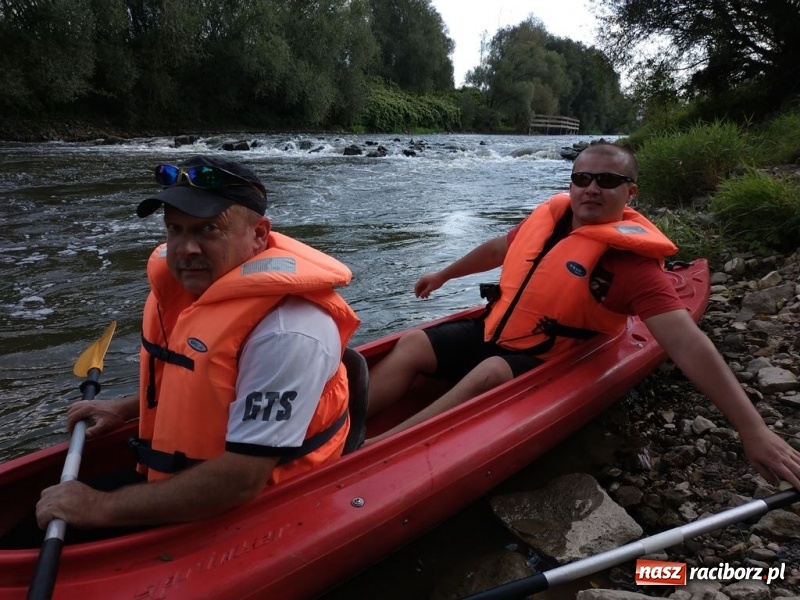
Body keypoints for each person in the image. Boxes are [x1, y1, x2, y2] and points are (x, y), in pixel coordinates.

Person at [365, 142, 800, 491]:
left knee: (490, 371)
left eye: (608, 181)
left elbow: (686, 343)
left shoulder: (631, 266)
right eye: (582, 178)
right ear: (571, 184)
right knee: (413, 343)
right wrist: (442, 275)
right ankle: (342, 423)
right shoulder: (552, 220)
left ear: (631, 193)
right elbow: (501, 249)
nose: (591, 188)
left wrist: (752, 429)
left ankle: (375, 450)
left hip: (551, 356)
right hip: (497, 327)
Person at [32, 154, 361, 533]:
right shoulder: (195, 288)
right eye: (176, 229)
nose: (186, 248)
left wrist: (99, 507)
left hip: (256, 503)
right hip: (184, 474)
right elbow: (204, 384)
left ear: (258, 235)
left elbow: (242, 478)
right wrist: (127, 408)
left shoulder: (288, 330)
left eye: (208, 230)